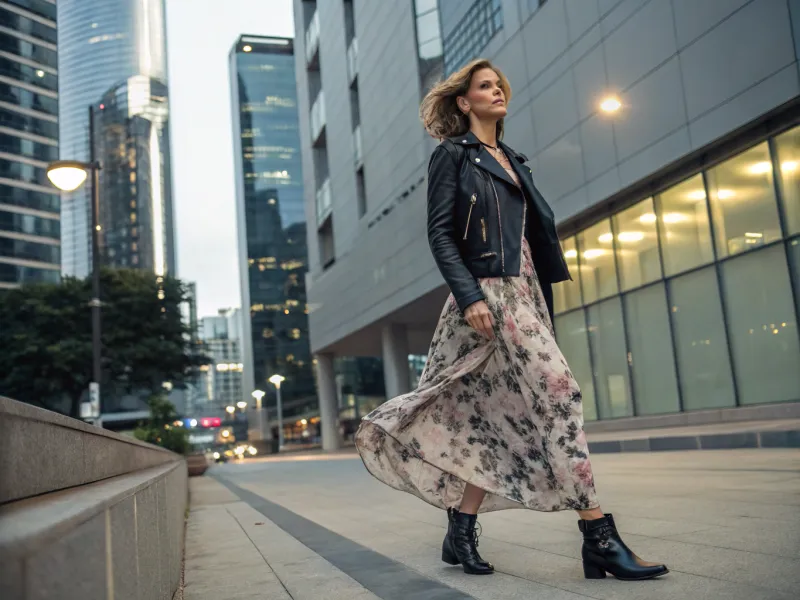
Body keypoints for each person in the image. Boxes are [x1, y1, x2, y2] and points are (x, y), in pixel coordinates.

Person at [354, 58, 668, 582]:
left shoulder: (514, 159)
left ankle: (462, 526)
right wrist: (470, 294)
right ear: (464, 101)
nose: (496, 91)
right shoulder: (454, 156)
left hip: (524, 293)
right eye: (484, 86)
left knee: (491, 412)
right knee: (560, 392)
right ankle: (599, 537)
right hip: (487, 295)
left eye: (499, 85)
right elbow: (440, 234)